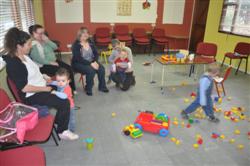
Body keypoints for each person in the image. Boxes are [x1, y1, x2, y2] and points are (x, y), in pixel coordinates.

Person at [3, 27, 78, 140]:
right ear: (19, 46)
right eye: (28, 44)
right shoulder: (14, 64)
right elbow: (25, 88)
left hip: (41, 86)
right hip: (32, 95)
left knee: (64, 86)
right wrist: (46, 89)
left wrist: (45, 77)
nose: (31, 46)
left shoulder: (24, 57)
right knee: (64, 102)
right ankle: (62, 131)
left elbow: (34, 72)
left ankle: (60, 118)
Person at [28, 24, 76, 94]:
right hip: (44, 65)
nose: (42, 35)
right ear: (34, 34)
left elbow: (55, 47)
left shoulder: (45, 40)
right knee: (63, 72)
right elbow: (38, 59)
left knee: (69, 68)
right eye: (40, 33)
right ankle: (64, 90)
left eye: (43, 33)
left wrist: (47, 40)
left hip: (53, 61)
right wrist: (50, 63)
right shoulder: (33, 45)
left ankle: (71, 88)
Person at [71, 27, 109, 96]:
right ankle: (88, 88)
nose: (86, 34)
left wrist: (95, 61)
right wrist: (91, 63)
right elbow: (78, 58)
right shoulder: (76, 45)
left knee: (101, 69)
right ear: (80, 34)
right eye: (84, 32)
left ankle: (102, 87)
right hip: (78, 63)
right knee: (91, 70)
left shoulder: (90, 42)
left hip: (91, 61)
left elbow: (96, 53)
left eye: (87, 33)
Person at [49, 68, 78, 134]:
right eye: (58, 80)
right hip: (64, 104)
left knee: (71, 118)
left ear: (68, 81)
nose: (60, 83)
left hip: (70, 106)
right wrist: (50, 82)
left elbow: (64, 96)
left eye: (63, 81)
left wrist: (55, 92)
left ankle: (71, 129)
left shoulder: (67, 88)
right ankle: (61, 123)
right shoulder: (60, 83)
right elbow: (56, 83)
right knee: (64, 116)